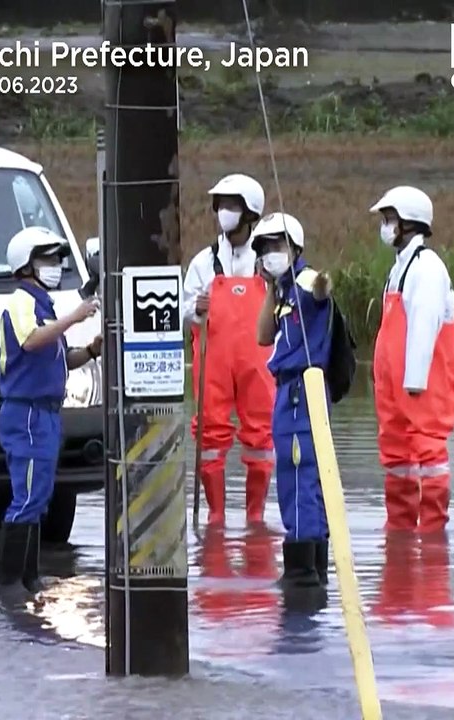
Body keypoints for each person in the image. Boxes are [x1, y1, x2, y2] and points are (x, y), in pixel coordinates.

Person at [0, 226, 103, 595]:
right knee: (26, 495)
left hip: (46, 413)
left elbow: (58, 358)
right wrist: (74, 317)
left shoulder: (44, 306)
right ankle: (11, 582)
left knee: (39, 495)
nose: (55, 265)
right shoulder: (21, 300)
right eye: (47, 258)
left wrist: (90, 350)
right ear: (26, 264)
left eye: (57, 258)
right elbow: (31, 341)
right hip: (25, 413)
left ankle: (29, 577)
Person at [182, 173, 276, 526]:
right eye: (221, 205)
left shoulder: (267, 261)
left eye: (232, 205)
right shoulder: (203, 262)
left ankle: (256, 516)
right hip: (213, 362)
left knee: (262, 436)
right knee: (209, 435)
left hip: (260, 362)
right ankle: (216, 516)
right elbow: (183, 309)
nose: (224, 212)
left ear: (250, 212)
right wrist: (197, 308)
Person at [368, 186, 454, 533]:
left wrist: (414, 381)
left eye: (390, 219)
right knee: (396, 453)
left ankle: (433, 531)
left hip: (421, 382)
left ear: (409, 224)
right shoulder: (399, 268)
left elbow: (423, 324)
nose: (385, 226)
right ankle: (401, 529)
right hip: (395, 384)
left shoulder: (427, 267)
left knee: (428, 451)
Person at [252, 212, 334, 587]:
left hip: (302, 390)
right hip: (289, 390)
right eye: (264, 247)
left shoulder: (303, 281)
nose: (270, 253)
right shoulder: (284, 289)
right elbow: (262, 336)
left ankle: (302, 567)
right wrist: (271, 285)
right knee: (304, 474)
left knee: (298, 472)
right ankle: (313, 562)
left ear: (295, 247)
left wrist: (319, 285)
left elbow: (320, 289)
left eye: (276, 245)